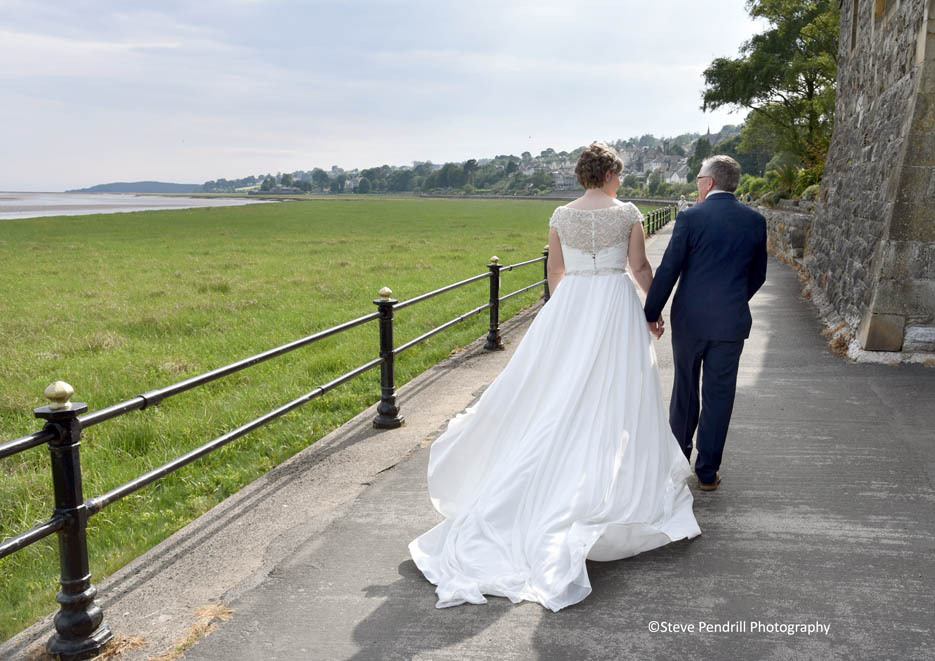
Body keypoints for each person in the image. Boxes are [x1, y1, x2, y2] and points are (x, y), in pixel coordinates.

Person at [409, 143, 701, 612]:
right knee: (617, 393)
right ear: (608, 174)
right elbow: (640, 266)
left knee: (559, 393)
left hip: (572, 305)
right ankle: (606, 481)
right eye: (619, 174)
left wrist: (567, 317)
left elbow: (555, 271)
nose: (621, 182)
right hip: (614, 304)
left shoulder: (561, 214)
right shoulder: (627, 212)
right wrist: (653, 308)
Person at [644, 155, 767, 491]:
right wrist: (734, 301)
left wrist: (651, 312)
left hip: (690, 321)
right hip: (731, 323)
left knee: (685, 389)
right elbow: (758, 275)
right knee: (720, 395)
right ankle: (708, 472)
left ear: (708, 182)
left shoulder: (690, 218)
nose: (696, 182)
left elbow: (668, 270)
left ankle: (678, 460)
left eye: (699, 177)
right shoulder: (755, 221)